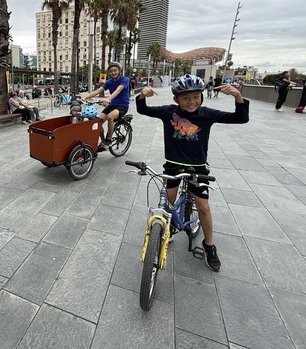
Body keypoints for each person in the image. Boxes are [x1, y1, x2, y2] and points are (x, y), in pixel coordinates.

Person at [136, 74, 250, 272]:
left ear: (201, 97)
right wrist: (141, 95)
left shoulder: (207, 114)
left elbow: (241, 118)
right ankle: (169, 227)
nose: (191, 102)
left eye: (196, 97)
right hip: (173, 165)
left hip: (198, 168)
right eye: (185, 98)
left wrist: (238, 96)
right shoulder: (168, 112)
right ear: (176, 99)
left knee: (203, 207)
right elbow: (142, 109)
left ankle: (209, 245)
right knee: (167, 203)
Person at [82, 61, 130, 148]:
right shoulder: (109, 82)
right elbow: (98, 91)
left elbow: (118, 90)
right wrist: (85, 98)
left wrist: (108, 99)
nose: (113, 72)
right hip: (112, 105)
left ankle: (109, 140)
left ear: (119, 71)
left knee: (110, 117)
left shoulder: (125, 79)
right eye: (111, 71)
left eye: (115, 70)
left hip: (123, 106)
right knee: (98, 122)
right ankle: (103, 142)